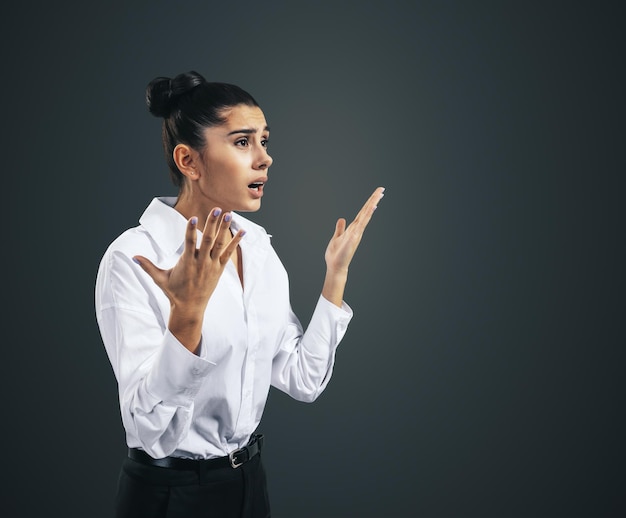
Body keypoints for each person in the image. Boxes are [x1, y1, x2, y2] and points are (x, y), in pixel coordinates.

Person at [94, 70, 385, 518]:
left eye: (264, 141)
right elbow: (149, 430)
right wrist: (187, 316)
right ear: (189, 162)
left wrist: (335, 276)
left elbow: (302, 379)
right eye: (243, 142)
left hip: (249, 486)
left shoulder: (256, 246)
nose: (265, 158)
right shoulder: (133, 258)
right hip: (169, 496)